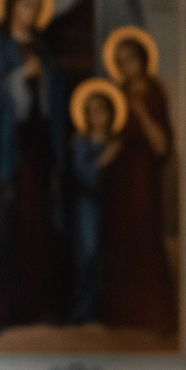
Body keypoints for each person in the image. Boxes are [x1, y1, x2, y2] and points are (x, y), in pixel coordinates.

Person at [0, 0, 73, 335]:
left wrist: (45, 78)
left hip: (39, 142)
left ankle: (43, 303)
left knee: (42, 222)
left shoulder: (43, 48)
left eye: (36, 5)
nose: (30, 11)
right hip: (11, 146)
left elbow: (58, 92)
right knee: (14, 220)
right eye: (25, 2)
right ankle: (6, 307)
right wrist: (18, 77)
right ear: (11, 6)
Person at [101, 29, 179, 337]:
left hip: (144, 175)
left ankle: (154, 317)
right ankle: (121, 315)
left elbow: (161, 145)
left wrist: (141, 111)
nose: (125, 67)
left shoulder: (155, 93)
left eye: (130, 59)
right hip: (120, 177)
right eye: (120, 62)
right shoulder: (116, 94)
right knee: (120, 237)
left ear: (143, 60)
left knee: (145, 232)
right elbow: (110, 136)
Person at [66, 81, 120, 327]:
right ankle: (83, 308)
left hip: (112, 207)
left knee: (109, 255)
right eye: (93, 111)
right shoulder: (81, 142)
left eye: (103, 110)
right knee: (88, 253)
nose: (98, 116)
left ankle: (102, 308)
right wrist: (104, 160)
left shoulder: (117, 142)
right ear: (86, 115)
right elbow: (84, 174)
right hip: (87, 206)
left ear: (112, 113)